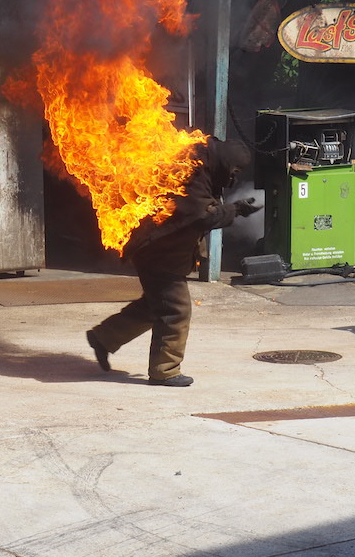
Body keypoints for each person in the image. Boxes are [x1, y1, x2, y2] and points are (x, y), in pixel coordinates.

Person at [86, 137, 259, 387]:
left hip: (162, 251)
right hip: (158, 252)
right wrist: (235, 210)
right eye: (235, 170)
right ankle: (165, 371)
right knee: (176, 310)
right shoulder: (193, 173)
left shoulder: (204, 167)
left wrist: (235, 208)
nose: (234, 177)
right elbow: (202, 215)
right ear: (225, 162)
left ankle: (103, 338)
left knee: (155, 305)